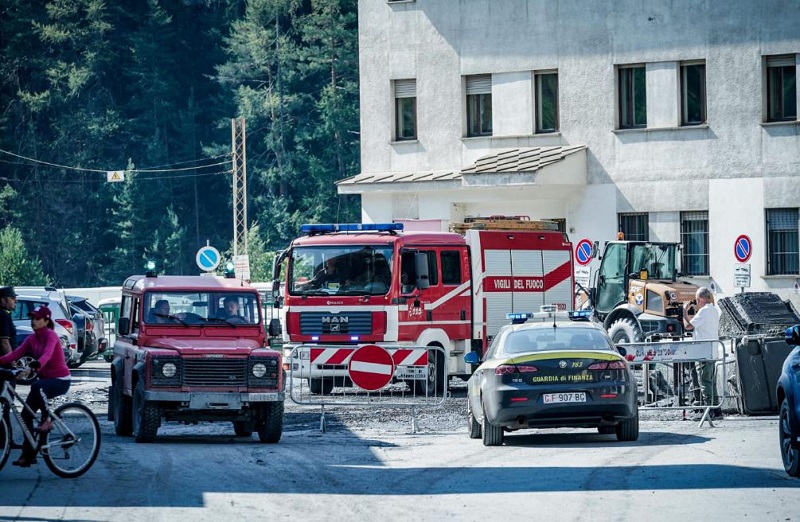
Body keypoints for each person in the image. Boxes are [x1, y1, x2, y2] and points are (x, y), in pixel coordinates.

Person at [0, 305, 71, 467]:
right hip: (44, 382)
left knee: (37, 386)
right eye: (32, 318)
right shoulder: (32, 338)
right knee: (25, 416)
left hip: (60, 380)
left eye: (37, 318)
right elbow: (14, 354)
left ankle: (48, 419)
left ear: (46, 321)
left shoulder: (51, 336)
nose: (33, 321)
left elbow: (46, 354)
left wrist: (35, 366)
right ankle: (28, 455)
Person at [682, 286, 721, 418]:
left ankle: (709, 410)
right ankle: (716, 409)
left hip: (703, 351)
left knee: (704, 381)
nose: (697, 302)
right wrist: (692, 316)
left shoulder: (704, 311)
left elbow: (688, 326)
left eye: (697, 299)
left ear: (700, 299)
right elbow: (699, 324)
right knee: (711, 381)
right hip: (712, 350)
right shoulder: (713, 310)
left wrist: (684, 313)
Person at [0, 286, 17, 356]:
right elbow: (4, 342)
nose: (15, 301)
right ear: (3, 300)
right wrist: (11, 360)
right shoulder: (3, 315)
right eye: (12, 298)